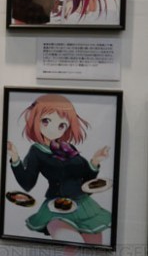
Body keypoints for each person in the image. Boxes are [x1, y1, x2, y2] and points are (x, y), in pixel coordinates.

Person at [7, 94, 111, 245]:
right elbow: (27, 183)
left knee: (94, 248)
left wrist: (95, 161)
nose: (53, 129)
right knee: (69, 246)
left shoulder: (68, 147)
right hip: (57, 207)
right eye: (46, 121)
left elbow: (87, 183)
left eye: (62, 125)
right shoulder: (37, 151)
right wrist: (15, 158)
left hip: (84, 205)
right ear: (35, 120)